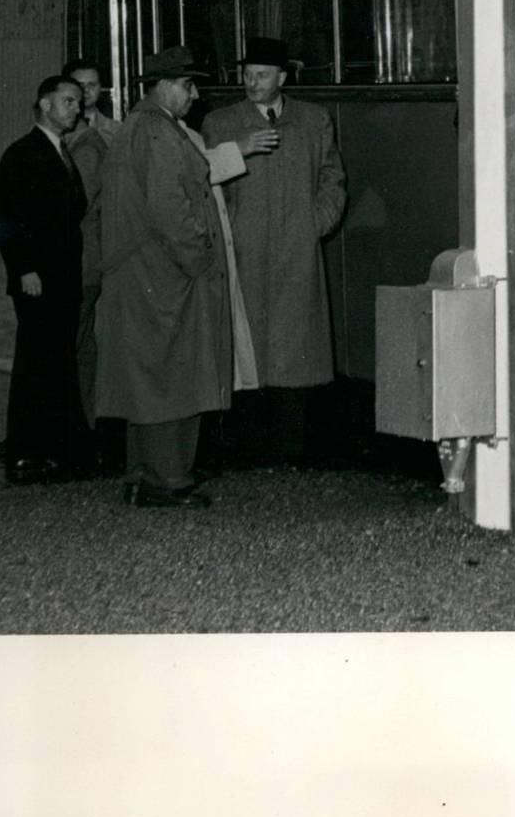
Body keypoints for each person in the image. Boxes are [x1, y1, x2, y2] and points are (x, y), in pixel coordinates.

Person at [200, 35, 347, 465]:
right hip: (243, 250)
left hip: (296, 250)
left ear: (283, 77)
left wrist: (314, 225)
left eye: (261, 75)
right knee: (248, 349)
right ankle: (248, 448)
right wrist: (228, 233)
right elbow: (207, 183)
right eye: (246, 75)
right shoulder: (221, 122)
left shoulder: (313, 120)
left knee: (294, 350)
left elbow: (332, 179)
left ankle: (290, 449)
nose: (252, 82)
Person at [94, 47, 231, 508]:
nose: (195, 94)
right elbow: (171, 209)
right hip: (167, 276)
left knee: (148, 380)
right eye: (188, 85)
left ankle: (144, 474)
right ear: (162, 86)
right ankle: (168, 478)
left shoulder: (140, 127)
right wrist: (201, 260)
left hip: (147, 273)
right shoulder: (157, 132)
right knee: (174, 377)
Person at [0, 74, 93, 482]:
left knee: (54, 360)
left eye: (77, 102)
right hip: (39, 279)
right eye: (68, 101)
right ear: (44, 104)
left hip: (60, 277)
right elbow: (8, 218)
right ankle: (25, 452)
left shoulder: (57, 151)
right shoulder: (23, 154)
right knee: (37, 362)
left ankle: (53, 449)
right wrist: (24, 269)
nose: (76, 108)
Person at [62, 60, 119, 456]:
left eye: (92, 85)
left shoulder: (106, 137)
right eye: (78, 87)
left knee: (89, 341)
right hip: (91, 252)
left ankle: (91, 426)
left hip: (96, 251)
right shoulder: (70, 135)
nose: (85, 94)